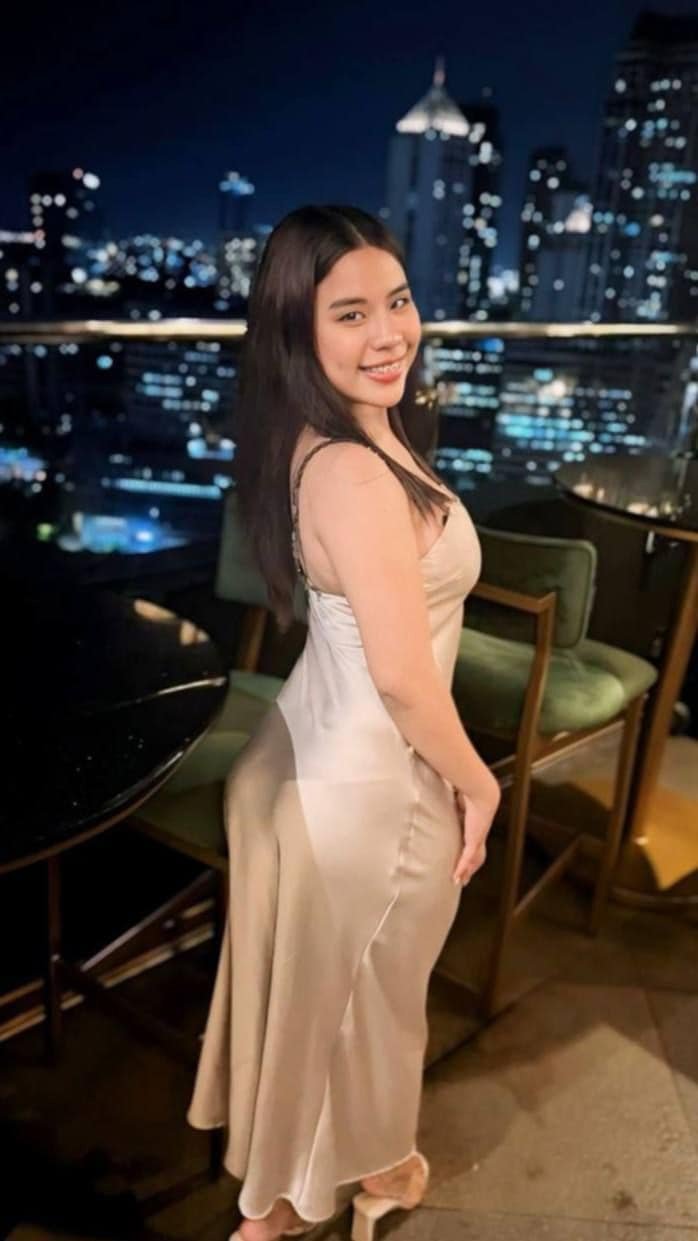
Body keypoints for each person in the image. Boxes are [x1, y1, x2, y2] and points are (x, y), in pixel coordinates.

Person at [187, 204, 500, 1241]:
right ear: (298, 331)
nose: (389, 333)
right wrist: (480, 782)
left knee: (333, 999)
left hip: (311, 752)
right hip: (372, 783)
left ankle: (344, 1175)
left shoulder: (325, 437)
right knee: (370, 1002)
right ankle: (301, 1202)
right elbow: (405, 680)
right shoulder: (357, 471)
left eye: (397, 301)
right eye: (350, 313)